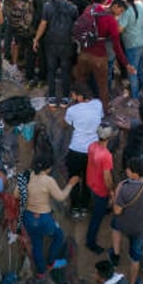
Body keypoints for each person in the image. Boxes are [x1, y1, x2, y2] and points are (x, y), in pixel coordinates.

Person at [73, 0, 135, 111]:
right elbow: (117, 46)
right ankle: (104, 110)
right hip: (99, 57)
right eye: (120, 11)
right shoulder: (111, 21)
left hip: (83, 53)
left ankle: (79, 105)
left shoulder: (93, 7)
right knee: (102, 86)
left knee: (81, 80)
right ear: (115, 6)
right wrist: (126, 64)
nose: (120, 14)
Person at [22, 155, 79, 275]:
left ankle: (41, 272)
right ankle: (51, 261)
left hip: (28, 217)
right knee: (59, 235)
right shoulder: (48, 181)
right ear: (47, 169)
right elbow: (61, 196)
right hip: (44, 219)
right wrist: (70, 184)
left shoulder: (26, 176)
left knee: (37, 244)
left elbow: (17, 194)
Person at [110, 157, 143, 284]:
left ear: (135, 174)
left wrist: (115, 195)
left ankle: (115, 254)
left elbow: (117, 210)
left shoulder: (124, 188)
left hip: (123, 223)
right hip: (140, 229)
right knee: (135, 258)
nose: (126, 170)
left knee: (114, 225)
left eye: (129, 169)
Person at [33, 0, 78, 106]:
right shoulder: (73, 8)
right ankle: (65, 97)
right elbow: (75, 26)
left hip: (51, 42)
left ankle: (52, 97)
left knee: (51, 70)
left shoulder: (47, 6)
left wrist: (36, 39)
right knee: (65, 70)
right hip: (67, 43)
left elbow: (43, 24)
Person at [65, 84, 104, 219]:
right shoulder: (98, 104)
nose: (73, 97)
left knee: (74, 178)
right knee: (89, 179)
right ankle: (85, 206)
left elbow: (69, 123)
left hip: (76, 148)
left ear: (80, 96)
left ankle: (75, 207)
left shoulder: (72, 110)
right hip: (92, 149)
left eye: (74, 95)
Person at [85, 124, 116, 255]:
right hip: (100, 189)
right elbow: (107, 178)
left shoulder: (92, 146)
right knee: (96, 219)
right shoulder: (106, 156)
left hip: (91, 181)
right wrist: (112, 191)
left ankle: (102, 210)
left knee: (98, 207)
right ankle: (90, 242)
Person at [114, 0, 143, 100]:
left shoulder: (126, 11)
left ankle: (135, 97)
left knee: (132, 71)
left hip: (132, 44)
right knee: (140, 67)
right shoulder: (142, 5)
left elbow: (119, 29)